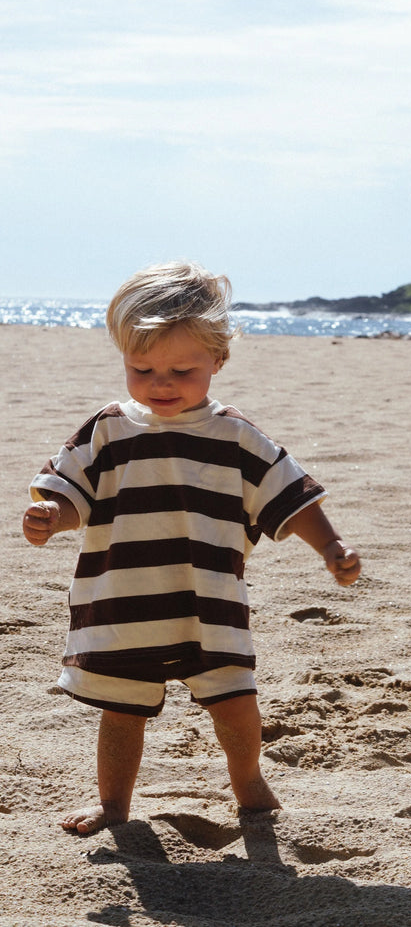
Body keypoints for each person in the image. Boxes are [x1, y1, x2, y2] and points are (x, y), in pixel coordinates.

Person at [22, 261, 361, 835]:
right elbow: (76, 494)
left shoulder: (235, 436)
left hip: (211, 601)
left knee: (234, 700)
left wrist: (329, 545)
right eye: (142, 368)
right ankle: (113, 804)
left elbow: (289, 493)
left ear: (218, 361)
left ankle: (249, 781)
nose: (161, 383)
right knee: (122, 711)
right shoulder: (107, 430)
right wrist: (53, 517)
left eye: (183, 369)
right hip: (124, 602)